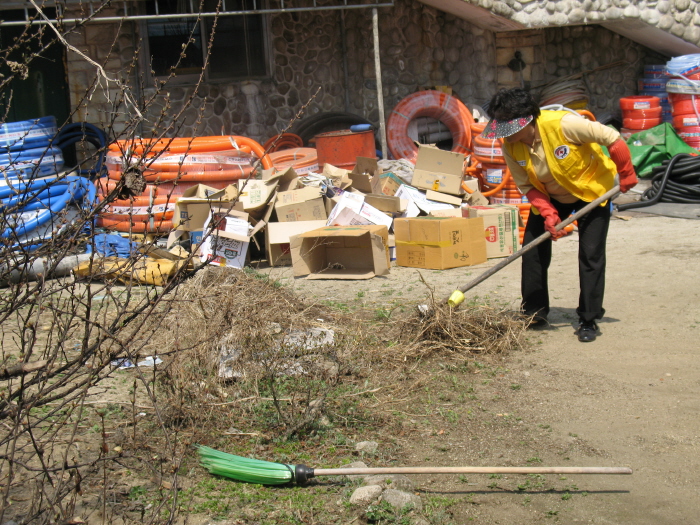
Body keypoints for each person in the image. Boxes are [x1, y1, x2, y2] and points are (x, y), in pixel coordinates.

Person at [482, 88, 638, 342]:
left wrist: (626, 171)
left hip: (591, 191)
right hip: (549, 195)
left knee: (591, 255)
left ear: (527, 120)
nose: (504, 136)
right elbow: (527, 186)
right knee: (532, 249)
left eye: (508, 129)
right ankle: (535, 312)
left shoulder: (564, 125)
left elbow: (611, 137)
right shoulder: (510, 145)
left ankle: (588, 319)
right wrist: (547, 212)